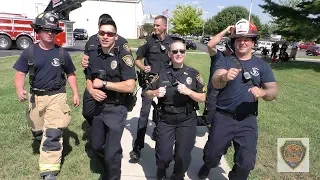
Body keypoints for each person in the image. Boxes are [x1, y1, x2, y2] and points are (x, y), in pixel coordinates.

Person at [198, 18, 278, 180]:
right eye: (239, 39)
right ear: (233, 42)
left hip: (247, 120)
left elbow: (273, 90)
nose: (242, 43)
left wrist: (263, 92)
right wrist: (225, 76)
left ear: (253, 42)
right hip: (223, 118)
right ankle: (208, 164)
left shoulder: (262, 65)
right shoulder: (224, 60)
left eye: (247, 39)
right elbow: (216, 80)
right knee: (212, 155)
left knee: (246, 163)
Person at [13, 12, 80, 180]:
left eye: (53, 31)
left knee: (52, 133)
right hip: (36, 97)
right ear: (38, 31)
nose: (50, 33)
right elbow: (20, 73)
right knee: (37, 128)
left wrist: (75, 93)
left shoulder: (62, 54)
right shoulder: (29, 52)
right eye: (46, 30)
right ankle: (38, 137)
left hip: (57, 97)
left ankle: (49, 172)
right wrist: (19, 89)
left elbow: (71, 74)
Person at [145, 40, 206, 179]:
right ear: (169, 54)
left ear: (185, 53)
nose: (178, 54)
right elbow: (146, 93)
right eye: (175, 51)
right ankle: (162, 168)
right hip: (166, 118)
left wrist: (189, 92)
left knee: (183, 156)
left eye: (182, 51)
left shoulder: (193, 74)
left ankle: (177, 175)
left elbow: (203, 97)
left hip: (187, 119)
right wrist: (155, 93)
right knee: (163, 155)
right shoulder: (161, 74)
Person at [84, 18, 136, 180]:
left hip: (116, 107)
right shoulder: (94, 54)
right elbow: (89, 78)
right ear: (98, 35)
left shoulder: (124, 56)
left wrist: (105, 84)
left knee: (111, 153)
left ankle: (113, 175)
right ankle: (109, 164)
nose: (105, 36)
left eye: (109, 34)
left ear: (116, 36)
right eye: (102, 33)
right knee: (97, 145)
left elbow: (130, 86)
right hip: (99, 106)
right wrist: (92, 91)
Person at [130, 15, 174, 160]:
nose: (155, 27)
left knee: (163, 113)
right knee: (144, 114)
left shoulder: (171, 43)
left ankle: (159, 135)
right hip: (150, 82)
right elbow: (137, 60)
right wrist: (144, 67)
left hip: (166, 83)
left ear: (164, 27)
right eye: (154, 25)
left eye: (157, 25)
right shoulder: (148, 42)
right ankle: (137, 147)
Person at [81, 13, 130, 126]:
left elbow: (126, 61)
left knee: (107, 115)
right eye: (101, 30)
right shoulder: (92, 40)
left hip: (111, 82)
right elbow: (86, 56)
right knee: (87, 112)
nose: (105, 36)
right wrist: (84, 60)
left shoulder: (121, 41)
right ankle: (96, 129)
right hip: (93, 80)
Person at [201, 25, 234, 126]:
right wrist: (226, 31)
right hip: (214, 92)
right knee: (208, 119)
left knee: (224, 119)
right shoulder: (218, 56)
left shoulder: (235, 59)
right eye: (230, 50)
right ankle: (183, 123)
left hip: (227, 93)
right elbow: (210, 45)